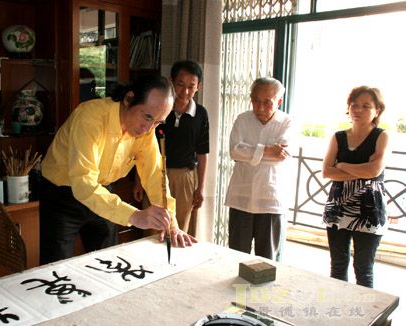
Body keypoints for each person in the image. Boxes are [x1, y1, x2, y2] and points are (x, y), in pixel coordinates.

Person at [39, 74, 196, 265]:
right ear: (128, 99)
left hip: (102, 191)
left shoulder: (146, 131)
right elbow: (83, 185)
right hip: (63, 194)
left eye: (157, 122)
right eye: (147, 117)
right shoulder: (91, 117)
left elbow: (155, 176)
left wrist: (171, 224)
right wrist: (135, 216)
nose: (148, 128)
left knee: (109, 262)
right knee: (56, 268)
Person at [322, 86, 389, 288]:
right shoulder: (338, 137)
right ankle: (339, 314)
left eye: (366, 106)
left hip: (369, 210)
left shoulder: (381, 136)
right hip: (338, 208)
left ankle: (366, 318)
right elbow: (326, 171)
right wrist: (361, 169)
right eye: (354, 105)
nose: (358, 110)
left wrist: (342, 165)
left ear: (377, 110)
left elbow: (374, 171)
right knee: (338, 267)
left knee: (364, 268)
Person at [133, 60, 209, 234]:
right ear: (171, 82)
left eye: (191, 86)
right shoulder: (158, 110)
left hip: (185, 178)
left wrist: (200, 188)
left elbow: (203, 153)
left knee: (179, 229)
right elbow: (142, 146)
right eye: (180, 84)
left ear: (199, 87)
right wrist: (138, 180)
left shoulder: (201, 114)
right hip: (154, 175)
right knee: (153, 228)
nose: (185, 92)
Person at [225, 77, 294, 261]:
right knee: (236, 256)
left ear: (278, 102)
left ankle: (263, 291)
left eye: (267, 103)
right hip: (241, 197)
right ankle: (238, 290)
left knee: (267, 259)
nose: (260, 107)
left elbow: (282, 155)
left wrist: (252, 153)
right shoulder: (243, 119)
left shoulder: (287, 122)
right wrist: (267, 150)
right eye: (256, 100)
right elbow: (234, 151)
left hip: (270, 199)